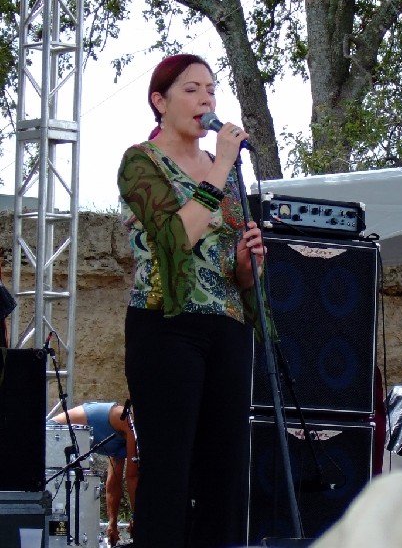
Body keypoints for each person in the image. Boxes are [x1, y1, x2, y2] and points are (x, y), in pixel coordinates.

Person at [117, 53, 266, 548]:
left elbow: (232, 269)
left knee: (225, 474)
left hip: (227, 327)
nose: (206, 99)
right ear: (159, 102)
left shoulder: (222, 171)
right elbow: (175, 237)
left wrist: (249, 262)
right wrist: (222, 164)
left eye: (211, 89)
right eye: (192, 89)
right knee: (169, 471)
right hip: (166, 326)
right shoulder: (141, 161)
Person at [50, 401, 138, 546]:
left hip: (67, 443)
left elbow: (114, 483)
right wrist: (137, 518)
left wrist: (113, 523)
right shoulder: (128, 423)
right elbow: (132, 476)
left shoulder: (122, 442)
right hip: (53, 432)